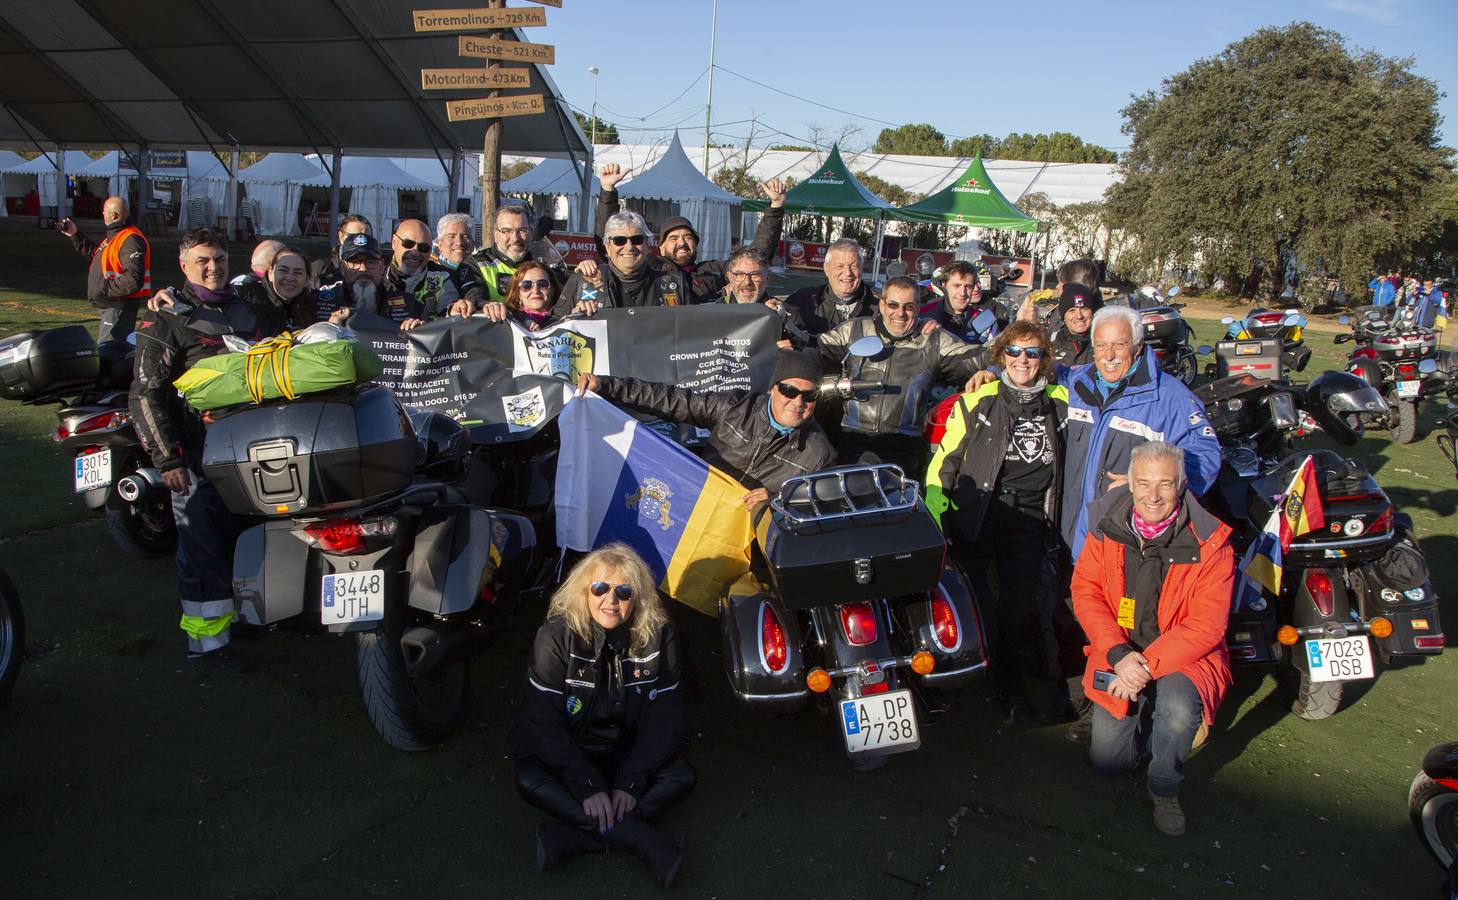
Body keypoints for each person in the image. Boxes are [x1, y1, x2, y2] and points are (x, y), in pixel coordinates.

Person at [1050, 304, 1221, 743]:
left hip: (1125, 542)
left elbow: (1205, 456)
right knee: (1076, 614)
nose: (1108, 355)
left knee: (1118, 619)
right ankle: (1084, 696)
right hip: (1074, 530)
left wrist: (1150, 481)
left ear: (1138, 347)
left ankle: (1110, 706)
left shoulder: (1171, 398)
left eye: (1119, 345)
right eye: (1100, 345)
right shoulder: (1079, 381)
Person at [130, 228, 290, 673]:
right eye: (203, 259)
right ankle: (207, 647)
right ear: (184, 265)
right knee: (201, 548)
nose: (213, 266)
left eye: (220, 258)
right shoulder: (164, 317)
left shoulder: (246, 310)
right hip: (195, 453)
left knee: (241, 539)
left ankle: (240, 619)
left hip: (248, 449)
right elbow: (146, 394)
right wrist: (168, 459)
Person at [1073, 441, 1233, 837]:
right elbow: (1086, 592)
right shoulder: (1105, 523)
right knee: (1109, 763)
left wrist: (1141, 668)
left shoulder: (1212, 542)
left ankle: (1164, 787)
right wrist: (1119, 654)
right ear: (1129, 482)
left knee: (1177, 710)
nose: (1153, 496)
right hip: (1121, 651)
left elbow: (1206, 626)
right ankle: (1158, 720)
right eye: (1143, 483)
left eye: (1165, 484)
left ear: (1181, 485)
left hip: (1184, 656)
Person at [508, 543, 692, 885]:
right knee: (528, 779)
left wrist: (630, 781)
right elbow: (540, 721)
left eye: (624, 591)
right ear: (584, 591)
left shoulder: (661, 634)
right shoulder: (554, 635)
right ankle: (642, 839)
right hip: (575, 751)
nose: (611, 600)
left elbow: (666, 718)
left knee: (681, 777)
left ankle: (575, 837)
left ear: (637, 597)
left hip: (627, 752)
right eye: (600, 588)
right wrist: (587, 785)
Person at [925, 321, 1068, 721]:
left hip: (1031, 517)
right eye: (1014, 352)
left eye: (1033, 352)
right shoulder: (978, 399)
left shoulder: (1064, 400)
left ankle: (1014, 688)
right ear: (1001, 354)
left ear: (1045, 359)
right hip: (979, 512)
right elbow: (942, 468)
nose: (1022, 360)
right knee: (966, 606)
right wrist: (937, 521)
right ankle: (951, 687)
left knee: (1019, 609)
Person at [577, 350, 837, 508]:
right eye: (789, 391)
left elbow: (815, 507)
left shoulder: (819, 456)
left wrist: (777, 501)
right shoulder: (736, 407)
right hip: (694, 504)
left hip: (744, 538)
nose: (798, 402)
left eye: (809, 395)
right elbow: (672, 399)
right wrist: (607, 386)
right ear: (773, 388)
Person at [817, 276, 981, 477]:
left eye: (908, 306)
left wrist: (991, 365)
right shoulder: (855, 330)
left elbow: (977, 358)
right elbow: (815, 349)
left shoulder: (934, 339)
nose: (900, 313)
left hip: (904, 449)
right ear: (882, 304)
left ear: (918, 308)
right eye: (893, 304)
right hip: (851, 441)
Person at [594, 164, 788, 304]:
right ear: (660, 247)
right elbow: (613, 241)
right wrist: (608, 192)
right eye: (673, 238)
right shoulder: (649, 268)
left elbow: (755, 259)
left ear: (696, 244)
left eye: (688, 237)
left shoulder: (713, 270)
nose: (682, 242)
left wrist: (775, 208)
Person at [554, 212, 691, 317]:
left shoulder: (674, 284)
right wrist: (572, 317)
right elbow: (553, 327)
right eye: (619, 240)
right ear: (608, 247)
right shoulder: (583, 280)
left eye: (637, 239)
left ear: (648, 245)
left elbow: (693, 332)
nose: (629, 247)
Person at [59, 195, 150, 344]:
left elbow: (133, 279)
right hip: (112, 307)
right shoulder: (116, 236)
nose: (102, 214)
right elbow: (97, 256)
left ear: (113, 215)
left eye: (104, 211)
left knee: (109, 351)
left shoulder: (130, 240)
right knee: (108, 350)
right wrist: (75, 235)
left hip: (117, 308)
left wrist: (105, 289)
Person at [311, 232, 425, 330]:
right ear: (343, 268)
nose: (363, 269)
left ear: (381, 266)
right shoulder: (319, 303)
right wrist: (330, 329)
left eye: (370, 262)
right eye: (355, 263)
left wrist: (420, 329)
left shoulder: (410, 305)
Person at [782, 238, 879, 340]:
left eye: (854, 266)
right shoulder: (802, 301)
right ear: (826, 269)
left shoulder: (881, 306)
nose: (848, 273)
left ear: (861, 268)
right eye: (840, 266)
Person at [386, 218, 463, 319]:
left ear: (431, 250)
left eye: (423, 248)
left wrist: (425, 325)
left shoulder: (443, 278)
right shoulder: (377, 272)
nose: (415, 252)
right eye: (408, 244)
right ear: (394, 242)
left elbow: (449, 312)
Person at [922, 260, 1008, 343]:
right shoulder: (923, 313)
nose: (962, 293)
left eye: (968, 287)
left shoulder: (985, 319)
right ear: (944, 285)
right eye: (956, 286)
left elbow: (995, 353)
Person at [469, 204, 536, 302]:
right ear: (495, 234)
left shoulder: (540, 264)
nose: (515, 238)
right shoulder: (475, 264)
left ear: (531, 233)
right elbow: (474, 299)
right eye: (507, 231)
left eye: (522, 230)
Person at [1047, 282, 1104, 367]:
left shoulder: (1104, 343)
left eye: (1084, 309)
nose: (1079, 316)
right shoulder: (1050, 342)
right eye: (1072, 310)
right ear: (1063, 316)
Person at [310, 213, 372, 288]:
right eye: (353, 236)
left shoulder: (377, 267)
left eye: (365, 237)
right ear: (341, 236)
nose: (359, 241)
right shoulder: (321, 267)